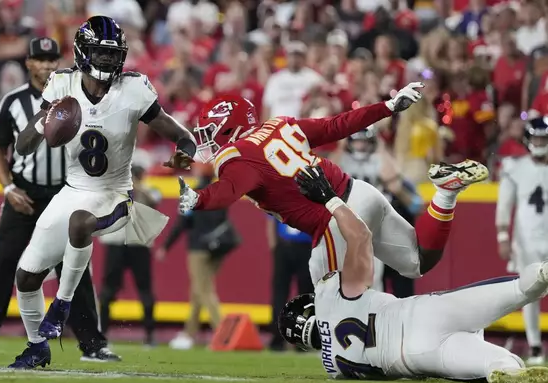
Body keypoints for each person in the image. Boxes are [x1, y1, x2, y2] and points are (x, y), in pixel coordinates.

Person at [8, 16, 195, 369]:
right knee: (27, 275)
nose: (108, 62)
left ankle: (62, 305)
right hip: (73, 188)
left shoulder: (134, 89)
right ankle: (36, 347)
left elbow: (177, 131)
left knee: (80, 224)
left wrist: (185, 148)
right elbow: (24, 146)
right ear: (82, 52)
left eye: (113, 55)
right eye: (100, 54)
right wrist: (45, 121)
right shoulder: (62, 84)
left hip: (115, 194)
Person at [178, 84, 488, 289]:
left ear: (229, 126)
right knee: (417, 264)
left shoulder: (237, 154)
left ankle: (358, 357)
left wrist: (198, 199)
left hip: (335, 219)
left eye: (209, 131)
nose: (207, 140)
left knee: (330, 298)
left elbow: (229, 190)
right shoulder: (280, 125)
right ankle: (446, 193)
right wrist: (389, 106)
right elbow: (336, 125)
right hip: (363, 193)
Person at [278, 165, 548, 383]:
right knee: (521, 289)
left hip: (417, 358)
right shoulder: (327, 299)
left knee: (504, 365)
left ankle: (506, 368)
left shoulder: (334, 368)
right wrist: (329, 198)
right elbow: (359, 236)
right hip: (421, 316)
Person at [0, 37, 118, 362]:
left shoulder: (77, 96)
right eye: (40, 59)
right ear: (28, 63)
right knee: (3, 264)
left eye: (51, 59)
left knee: (75, 268)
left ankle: (93, 344)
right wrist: (7, 189)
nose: (46, 65)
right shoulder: (13, 101)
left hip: (63, 193)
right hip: (26, 193)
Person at [333, 127, 421, 296]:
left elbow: (396, 180)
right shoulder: (342, 160)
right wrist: (340, 146)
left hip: (374, 230)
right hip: (346, 228)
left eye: (364, 141)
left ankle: (372, 315)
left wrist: (381, 148)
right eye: (357, 141)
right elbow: (327, 172)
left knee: (374, 277)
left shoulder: (378, 160)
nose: (360, 146)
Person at [159, 167, 240, 350]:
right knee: (198, 290)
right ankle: (189, 334)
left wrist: (166, 246)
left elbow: (182, 223)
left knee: (204, 290)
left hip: (198, 248)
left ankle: (223, 334)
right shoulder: (220, 191)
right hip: (218, 247)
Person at [496, 116, 548, 365]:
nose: (540, 142)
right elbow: (504, 204)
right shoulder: (514, 167)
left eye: (543, 138)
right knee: (530, 294)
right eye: (536, 137)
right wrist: (503, 235)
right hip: (526, 239)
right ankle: (535, 346)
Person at [98, 163, 161, 346]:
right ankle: (102, 333)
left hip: (138, 244)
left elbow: (155, 199)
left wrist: (137, 187)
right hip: (116, 243)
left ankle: (150, 335)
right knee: (108, 290)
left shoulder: (149, 189)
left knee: (145, 289)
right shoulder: (115, 190)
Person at [267, 218, 313, 351]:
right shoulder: (310, 198)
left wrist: (274, 246)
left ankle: (278, 339)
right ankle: (300, 340)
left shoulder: (280, 197)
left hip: (286, 245)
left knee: (281, 293)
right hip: (303, 246)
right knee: (304, 296)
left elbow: (270, 220)